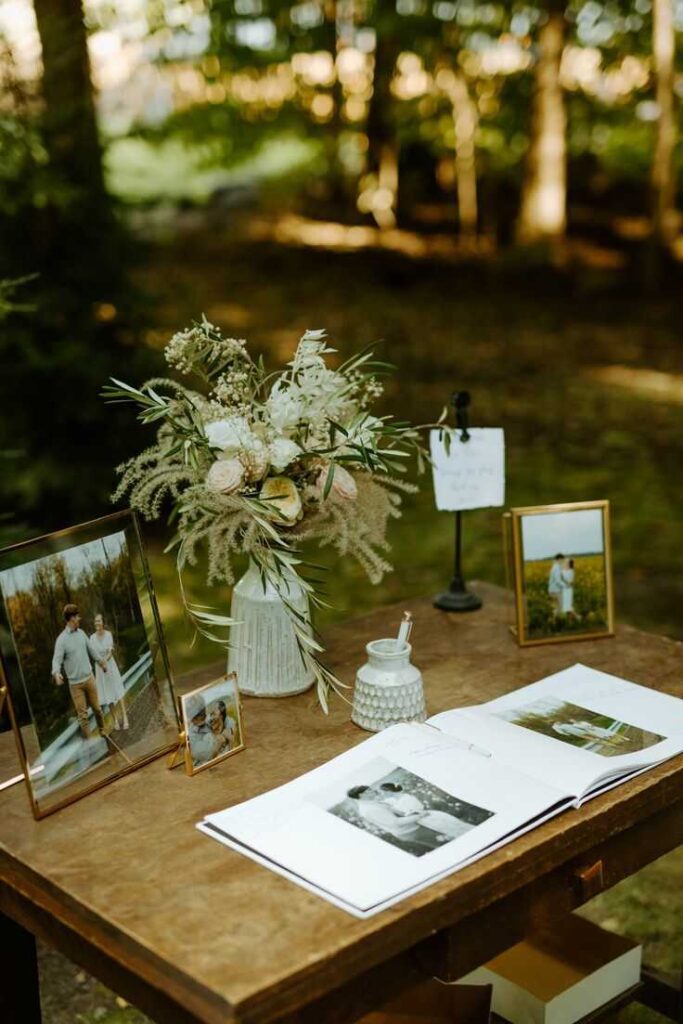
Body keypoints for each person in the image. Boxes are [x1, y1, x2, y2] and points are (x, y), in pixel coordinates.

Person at [51, 604, 110, 742]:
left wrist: (102, 663)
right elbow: (56, 660)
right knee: (83, 717)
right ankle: (90, 743)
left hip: (89, 679)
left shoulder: (82, 633)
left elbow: (92, 651)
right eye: (77, 616)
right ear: (71, 618)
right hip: (75, 685)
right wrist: (56, 673)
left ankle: (103, 732)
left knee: (97, 709)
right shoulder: (61, 640)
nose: (79, 619)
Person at [90, 614, 129, 730]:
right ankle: (115, 719)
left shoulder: (108, 635)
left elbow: (110, 652)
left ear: (103, 622)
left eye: (99, 621)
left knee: (117, 690)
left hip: (110, 665)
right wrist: (100, 663)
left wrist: (104, 662)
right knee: (108, 695)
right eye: (95, 621)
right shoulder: (92, 638)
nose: (97, 623)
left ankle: (125, 717)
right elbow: (93, 655)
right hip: (100, 669)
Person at [186, 693, 217, 767]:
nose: (203, 715)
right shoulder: (191, 735)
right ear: (192, 718)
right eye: (199, 714)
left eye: (203, 711)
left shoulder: (208, 721)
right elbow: (206, 755)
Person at [552, 719, 627, 748]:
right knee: (597, 739)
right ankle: (613, 744)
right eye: (557, 722)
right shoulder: (559, 727)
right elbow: (563, 732)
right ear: (555, 723)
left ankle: (614, 743)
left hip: (581, 732)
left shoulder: (564, 725)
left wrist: (569, 733)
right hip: (580, 732)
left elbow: (565, 732)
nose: (559, 721)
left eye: (558, 721)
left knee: (598, 738)